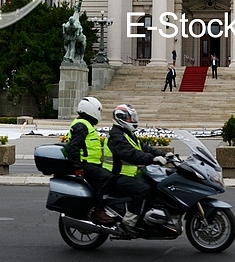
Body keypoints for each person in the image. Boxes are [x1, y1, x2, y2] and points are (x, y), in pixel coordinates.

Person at [102, 104, 167, 231]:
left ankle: (146, 218)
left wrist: (164, 155)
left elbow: (144, 148)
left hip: (130, 175)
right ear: (120, 118)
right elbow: (129, 154)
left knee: (156, 185)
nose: (132, 121)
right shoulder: (116, 136)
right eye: (129, 118)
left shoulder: (127, 134)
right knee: (143, 189)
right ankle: (129, 222)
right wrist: (151, 159)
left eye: (132, 118)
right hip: (116, 176)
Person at [66, 96, 118, 225]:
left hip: (92, 164)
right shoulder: (82, 126)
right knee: (106, 177)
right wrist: (78, 168)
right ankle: (98, 210)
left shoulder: (85, 124)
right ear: (91, 110)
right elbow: (73, 148)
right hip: (85, 165)